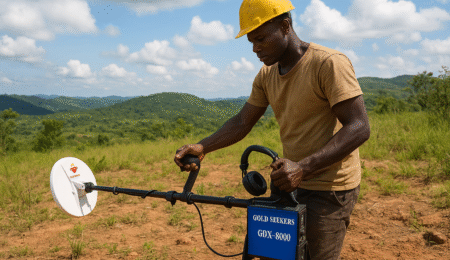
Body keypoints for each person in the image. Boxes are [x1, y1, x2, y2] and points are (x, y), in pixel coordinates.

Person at [174, 0, 371, 259]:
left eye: (261, 39)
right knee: (277, 253)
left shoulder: (328, 63)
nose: (255, 49)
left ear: (285, 26)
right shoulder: (266, 75)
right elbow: (243, 121)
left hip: (330, 188)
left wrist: (303, 168)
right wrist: (203, 146)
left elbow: (358, 127)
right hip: (289, 182)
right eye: (251, 42)